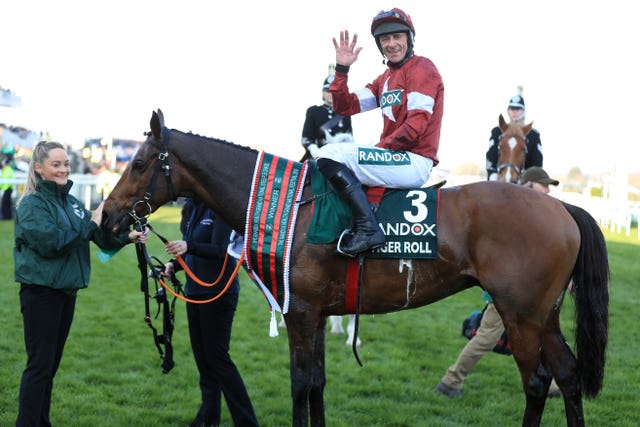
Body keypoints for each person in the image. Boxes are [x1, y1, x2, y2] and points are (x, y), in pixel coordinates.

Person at [13, 140, 147, 427]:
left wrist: (127, 238)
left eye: (66, 163)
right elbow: (55, 244)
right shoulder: (31, 205)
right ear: (39, 168)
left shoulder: (72, 203)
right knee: (38, 368)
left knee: (49, 368)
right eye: (56, 164)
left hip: (66, 292)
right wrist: (92, 224)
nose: (64, 169)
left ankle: (41, 422)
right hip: (41, 293)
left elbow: (98, 238)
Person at [315, 7, 444, 257]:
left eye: (397, 36)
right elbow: (346, 105)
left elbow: (416, 127)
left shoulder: (422, 69)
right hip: (395, 157)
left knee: (328, 153)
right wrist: (342, 70)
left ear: (409, 38)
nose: (392, 44)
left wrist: (378, 150)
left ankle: (368, 229)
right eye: (385, 39)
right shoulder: (384, 78)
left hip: (413, 160)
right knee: (332, 154)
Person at [435, 166, 562, 399]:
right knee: (486, 337)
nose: (548, 191)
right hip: (508, 290)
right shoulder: (518, 213)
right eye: (544, 186)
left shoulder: (531, 212)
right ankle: (451, 380)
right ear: (531, 185)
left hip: (527, 290)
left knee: (539, 334)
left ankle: (550, 383)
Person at [163, 198, 259, 427]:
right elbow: (189, 250)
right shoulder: (191, 208)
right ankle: (208, 418)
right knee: (204, 362)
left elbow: (221, 251)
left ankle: (247, 422)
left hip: (218, 293)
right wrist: (173, 265)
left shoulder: (220, 207)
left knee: (218, 360)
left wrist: (189, 247)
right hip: (194, 291)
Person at [485, 94, 543, 180]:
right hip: (499, 179)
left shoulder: (533, 135)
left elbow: (537, 161)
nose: (514, 112)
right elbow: (491, 155)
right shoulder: (497, 131)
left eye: (518, 109)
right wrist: (492, 175)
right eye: (512, 109)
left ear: (523, 111)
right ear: (508, 111)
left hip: (525, 181)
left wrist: (529, 181)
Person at [300, 68, 354, 160]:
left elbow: (349, 139)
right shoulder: (313, 111)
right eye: (328, 91)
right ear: (323, 93)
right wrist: (316, 152)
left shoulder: (345, 114)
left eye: (334, 91)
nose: (331, 94)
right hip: (316, 157)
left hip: (338, 158)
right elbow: (306, 139)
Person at [2, 154, 15, 219]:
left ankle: (6, 217)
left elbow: (4, 178)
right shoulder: (9, 169)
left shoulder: (6, 170)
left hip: (7, 188)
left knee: (5, 204)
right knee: (8, 203)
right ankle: (8, 217)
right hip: (9, 188)